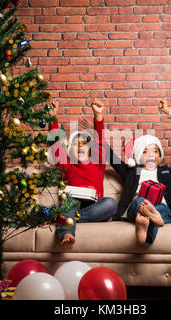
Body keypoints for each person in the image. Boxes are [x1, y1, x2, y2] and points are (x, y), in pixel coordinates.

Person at [47, 99, 117, 250]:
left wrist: (98, 115)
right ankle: (66, 232)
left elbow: (100, 140)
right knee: (68, 199)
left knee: (111, 204)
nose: (80, 146)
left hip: (93, 206)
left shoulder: (97, 163)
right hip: (72, 201)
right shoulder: (66, 164)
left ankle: (68, 218)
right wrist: (53, 118)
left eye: (83, 144)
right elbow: (55, 144)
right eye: (75, 145)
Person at [106, 135, 171, 245]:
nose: (151, 155)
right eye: (145, 152)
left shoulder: (166, 173)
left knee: (164, 209)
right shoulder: (132, 172)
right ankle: (151, 216)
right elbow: (111, 157)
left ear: (160, 155)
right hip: (137, 206)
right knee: (141, 201)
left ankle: (145, 229)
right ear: (138, 156)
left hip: (160, 208)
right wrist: (96, 130)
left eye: (155, 151)